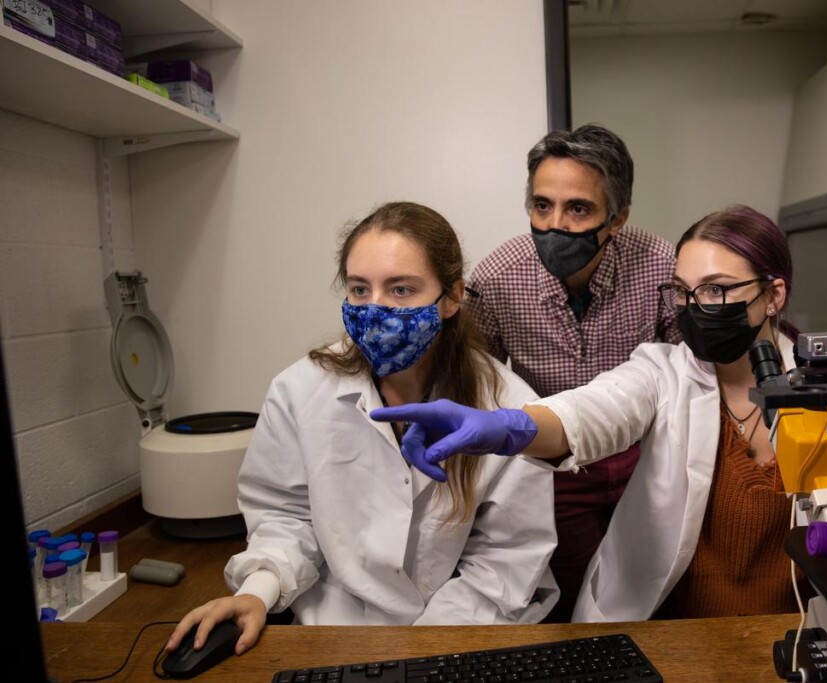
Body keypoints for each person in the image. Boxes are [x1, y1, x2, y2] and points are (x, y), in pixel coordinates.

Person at [373, 204, 827, 622]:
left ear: (772, 295)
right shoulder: (664, 371)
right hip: (672, 628)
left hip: (804, 627)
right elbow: (596, 410)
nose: (695, 306)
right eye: (682, 291)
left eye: (716, 289)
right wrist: (510, 426)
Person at [166, 202, 558, 657]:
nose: (376, 311)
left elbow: (507, 556)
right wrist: (257, 590)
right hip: (334, 625)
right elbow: (285, 517)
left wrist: (427, 648)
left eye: (401, 290)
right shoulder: (300, 390)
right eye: (359, 289)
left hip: (460, 627)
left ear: (452, 297)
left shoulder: (506, 406)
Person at [465, 123, 680, 622]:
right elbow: (480, 382)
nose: (554, 224)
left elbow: (689, 377)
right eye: (542, 206)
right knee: (569, 606)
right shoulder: (498, 277)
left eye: (578, 208)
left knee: (654, 598)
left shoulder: (661, 266)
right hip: (551, 469)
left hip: (645, 463)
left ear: (618, 216)